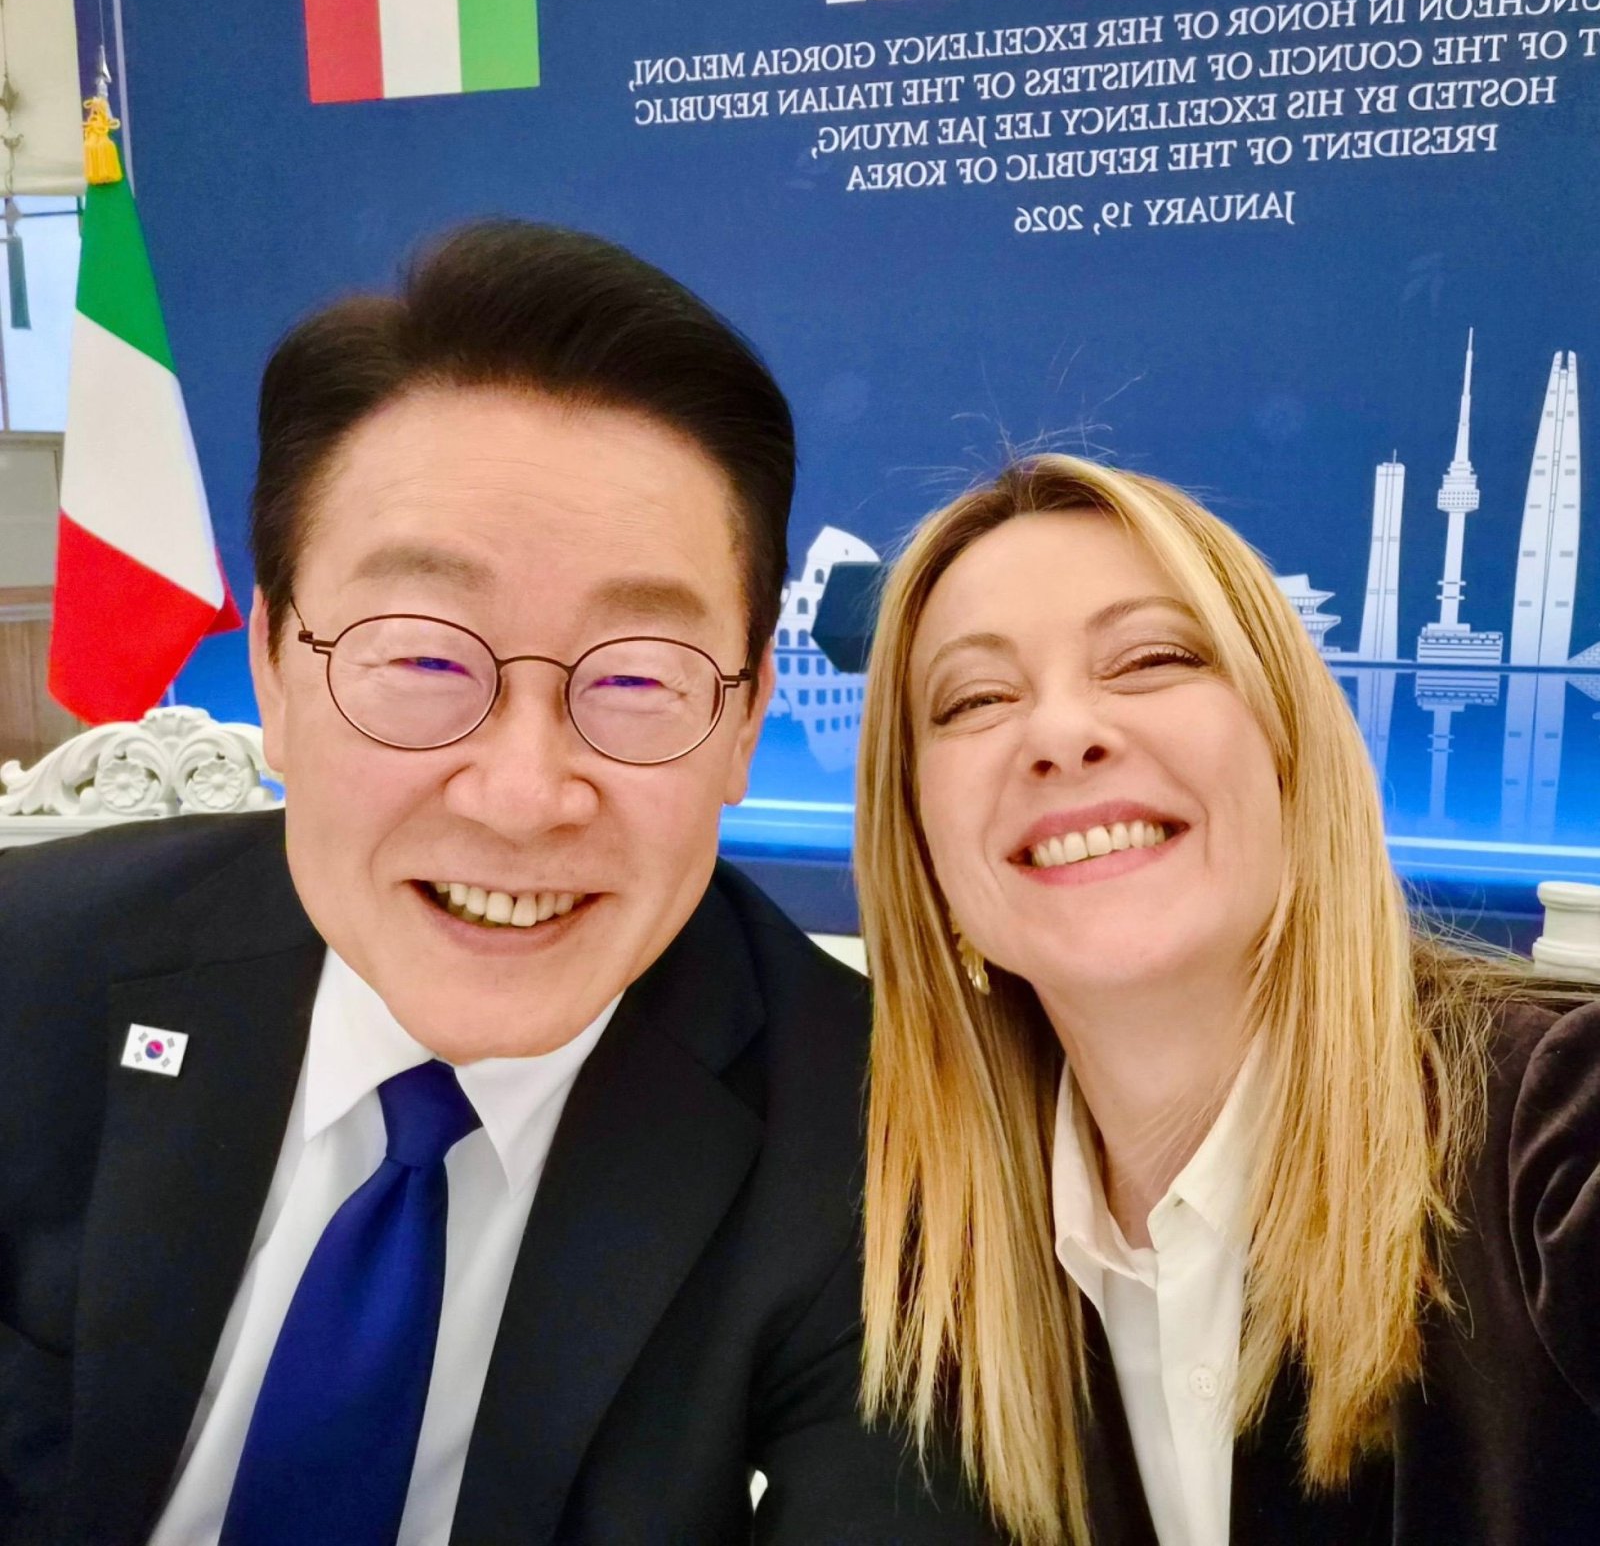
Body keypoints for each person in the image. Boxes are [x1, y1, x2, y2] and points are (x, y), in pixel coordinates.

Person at [0, 222, 996, 1546]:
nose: (524, 795)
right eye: (423, 659)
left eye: (635, 676)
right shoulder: (30, 969)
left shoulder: (893, 1139)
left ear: (746, 719)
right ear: (277, 672)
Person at [853, 453, 1600, 1546]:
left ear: (1293, 758)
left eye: (1151, 658)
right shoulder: (923, 1266)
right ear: (923, 851)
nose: (1059, 733)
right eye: (975, 699)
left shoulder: (1557, 1126)